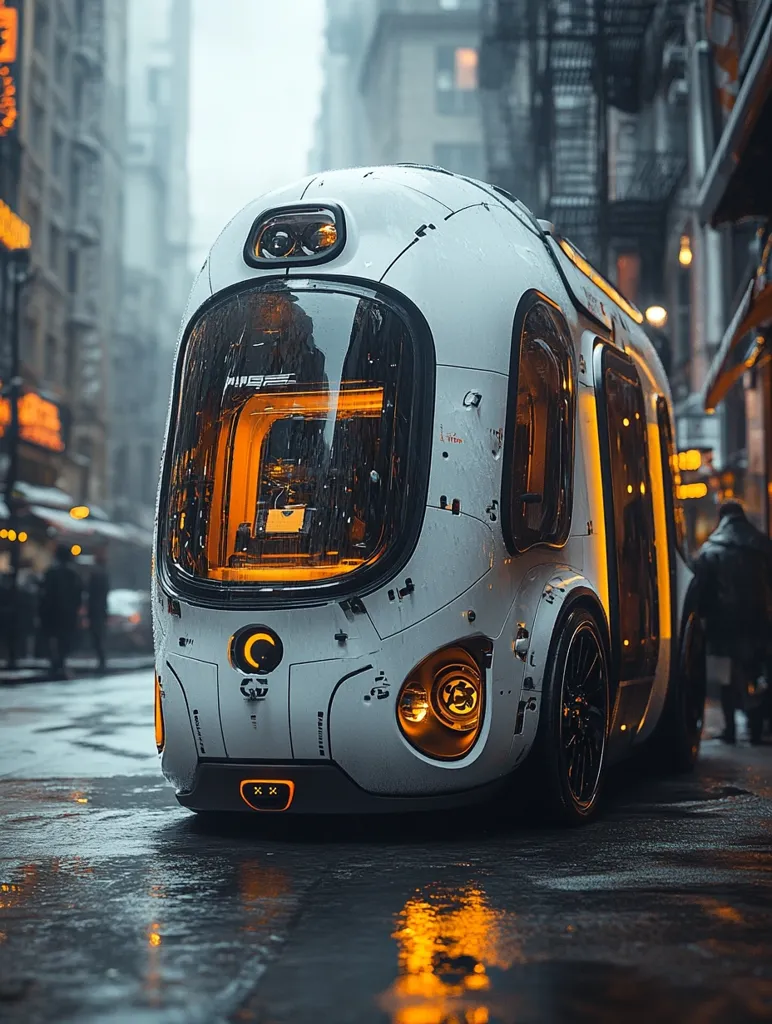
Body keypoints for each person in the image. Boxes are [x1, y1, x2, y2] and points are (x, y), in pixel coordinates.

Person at [692, 500, 772, 744]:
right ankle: (756, 729)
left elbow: (701, 592)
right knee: (755, 672)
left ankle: (730, 730)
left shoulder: (710, 550)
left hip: (722, 624)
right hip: (758, 621)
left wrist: (703, 617)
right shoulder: (763, 545)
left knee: (726, 677)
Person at [39, 545, 84, 680]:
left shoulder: (51, 573)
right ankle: (60, 663)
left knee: (53, 638)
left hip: (52, 613)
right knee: (64, 640)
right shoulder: (73, 575)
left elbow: (44, 593)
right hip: (67, 614)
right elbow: (78, 595)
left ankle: (55, 664)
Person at [87, 549, 109, 673]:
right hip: (100, 609)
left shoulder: (97, 574)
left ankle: (101, 661)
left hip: (96, 610)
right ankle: (102, 661)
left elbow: (92, 593)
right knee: (99, 636)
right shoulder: (103, 574)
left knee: (97, 636)